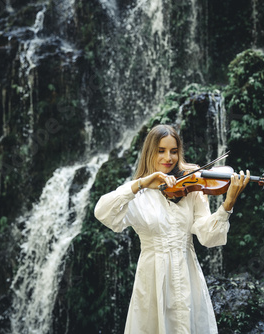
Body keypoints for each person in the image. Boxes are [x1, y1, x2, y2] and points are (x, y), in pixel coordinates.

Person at [94, 124, 250, 333]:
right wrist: (140, 183)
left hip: (188, 274)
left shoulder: (192, 189)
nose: (168, 158)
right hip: (152, 278)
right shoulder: (136, 196)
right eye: (161, 151)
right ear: (150, 152)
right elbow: (102, 211)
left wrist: (227, 204)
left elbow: (208, 237)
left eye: (174, 151)